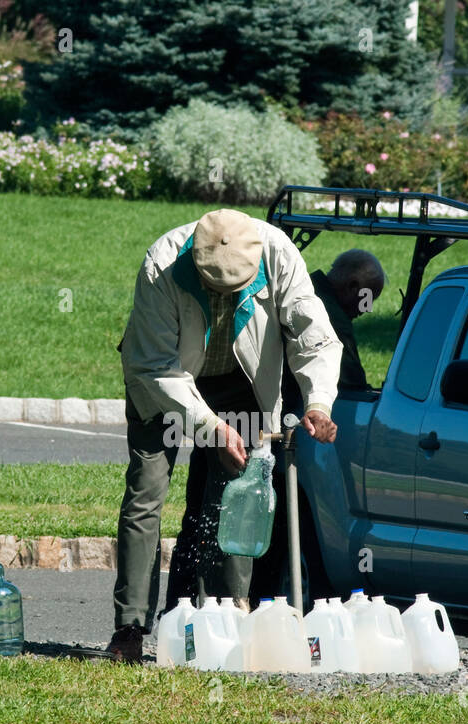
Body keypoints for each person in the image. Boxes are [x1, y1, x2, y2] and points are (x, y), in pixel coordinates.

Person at [107, 209, 344, 662]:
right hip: (161, 381)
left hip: (239, 381)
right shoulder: (162, 264)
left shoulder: (279, 255)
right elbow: (157, 366)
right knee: (146, 493)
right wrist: (211, 427)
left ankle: (228, 618)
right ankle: (130, 628)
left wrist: (318, 402)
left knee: (238, 495)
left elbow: (314, 339)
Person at [248, 249, 385, 601]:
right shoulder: (330, 313)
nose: (365, 309)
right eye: (367, 299)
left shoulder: (308, 290)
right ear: (355, 285)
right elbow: (348, 377)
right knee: (284, 530)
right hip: (289, 429)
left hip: (266, 420)